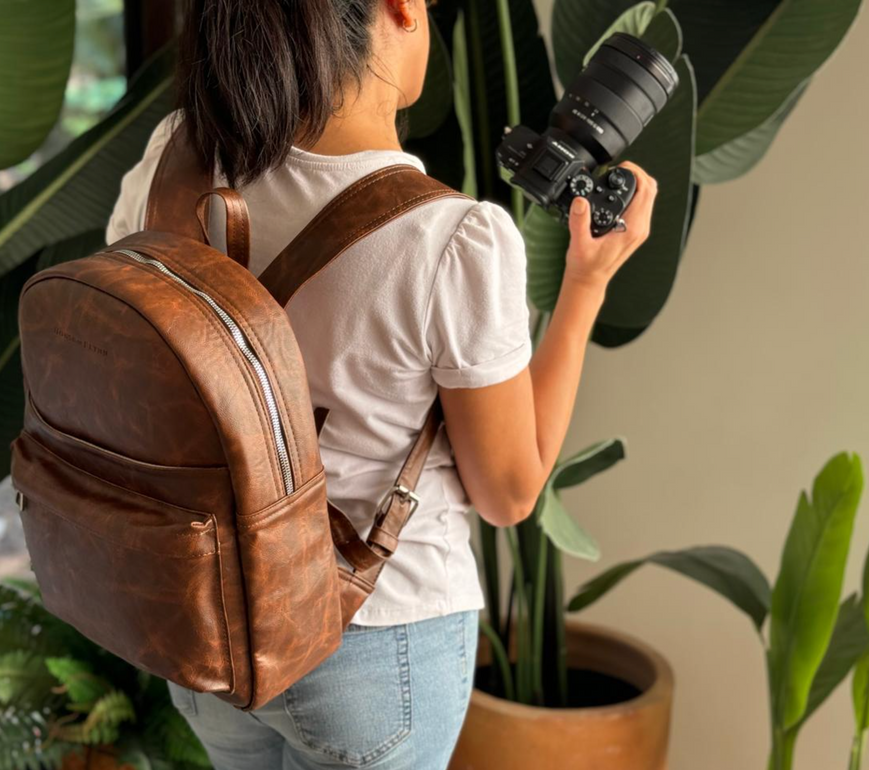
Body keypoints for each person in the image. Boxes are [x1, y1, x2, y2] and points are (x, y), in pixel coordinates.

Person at [105, 1, 658, 768]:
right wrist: (587, 284)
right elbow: (510, 493)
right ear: (399, 8)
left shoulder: (177, 158)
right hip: (373, 642)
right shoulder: (452, 236)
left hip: (204, 625)